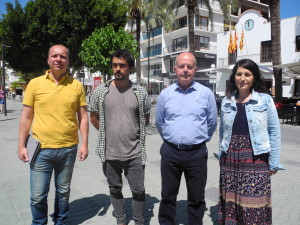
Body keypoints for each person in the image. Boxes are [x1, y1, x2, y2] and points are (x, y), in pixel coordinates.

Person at [18, 44, 89, 225]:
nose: (59, 59)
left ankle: (61, 222)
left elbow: (83, 117)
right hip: (40, 150)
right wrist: (21, 146)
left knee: (63, 192)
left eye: (63, 56)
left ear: (68, 60)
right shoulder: (35, 84)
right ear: (48, 59)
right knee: (38, 196)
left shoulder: (77, 86)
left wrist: (84, 144)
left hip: (68, 149)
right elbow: (26, 117)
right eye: (55, 56)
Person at [89, 49, 151, 225]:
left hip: (135, 153)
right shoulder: (101, 91)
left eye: (122, 65)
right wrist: (108, 132)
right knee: (115, 189)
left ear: (129, 68)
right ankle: (121, 221)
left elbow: (145, 119)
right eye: (115, 65)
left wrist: (131, 133)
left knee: (138, 190)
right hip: (110, 153)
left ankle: (139, 221)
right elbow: (93, 117)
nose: (118, 69)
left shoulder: (140, 92)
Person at [155, 52, 217, 225]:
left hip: (196, 153)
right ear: (175, 69)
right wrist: (171, 138)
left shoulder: (206, 94)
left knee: (197, 197)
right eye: (181, 66)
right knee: (167, 195)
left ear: (195, 69)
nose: (185, 70)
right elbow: (159, 122)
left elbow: (212, 122)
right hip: (170, 152)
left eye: (189, 67)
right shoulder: (165, 94)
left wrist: (198, 139)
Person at [218, 59, 282, 224]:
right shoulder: (227, 101)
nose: (242, 78)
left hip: (256, 157)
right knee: (231, 202)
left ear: (254, 78)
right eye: (239, 74)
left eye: (247, 74)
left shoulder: (265, 100)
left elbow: (274, 132)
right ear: (234, 77)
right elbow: (222, 132)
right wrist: (221, 155)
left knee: (254, 203)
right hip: (230, 158)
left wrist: (273, 162)